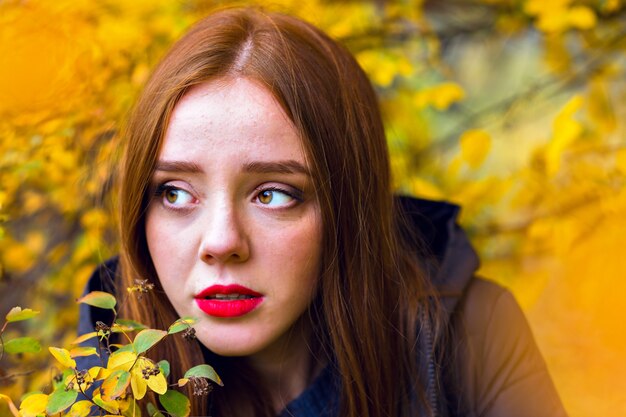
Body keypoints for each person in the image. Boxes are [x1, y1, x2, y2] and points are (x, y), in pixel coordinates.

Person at [78, 7, 568, 417]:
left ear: (347, 207)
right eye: (177, 194)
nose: (222, 241)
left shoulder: (469, 334)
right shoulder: (105, 372)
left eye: (272, 194)